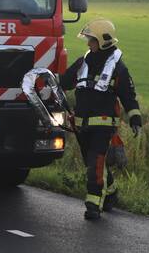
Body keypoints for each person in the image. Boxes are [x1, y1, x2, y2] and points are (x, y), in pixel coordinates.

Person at [60, 19, 143, 220]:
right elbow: (64, 82)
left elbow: (128, 95)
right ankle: (111, 193)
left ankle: (93, 205)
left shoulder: (118, 68)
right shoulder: (83, 62)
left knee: (96, 162)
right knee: (94, 163)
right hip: (81, 125)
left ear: (104, 41)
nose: (88, 44)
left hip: (103, 126)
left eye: (92, 40)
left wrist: (135, 118)